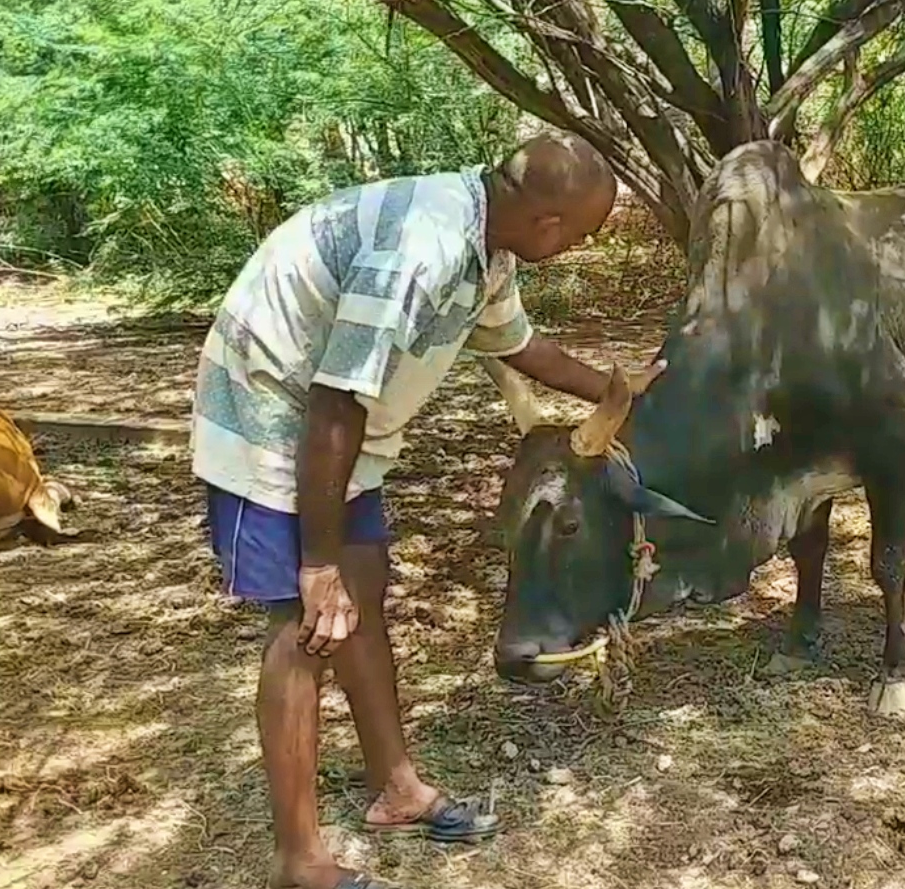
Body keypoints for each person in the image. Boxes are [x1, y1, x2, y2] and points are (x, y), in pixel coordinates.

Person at [190, 131, 663, 889]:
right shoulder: (423, 249)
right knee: (306, 623)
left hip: (341, 440)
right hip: (271, 426)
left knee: (364, 592)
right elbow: (335, 399)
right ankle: (299, 859)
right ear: (548, 226)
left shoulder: (488, 246)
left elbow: (519, 345)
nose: (578, 247)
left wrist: (616, 388)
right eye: (581, 235)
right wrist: (317, 564)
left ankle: (397, 789)